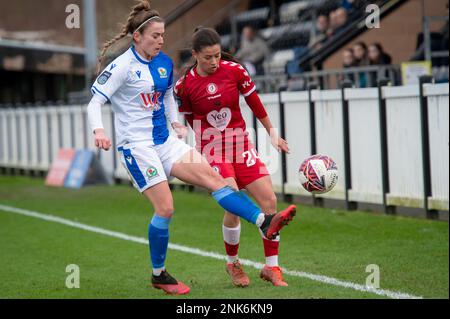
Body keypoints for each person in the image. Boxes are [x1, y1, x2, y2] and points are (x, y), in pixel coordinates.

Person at [86, 0, 296, 296]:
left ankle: (264, 222)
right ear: (138, 37)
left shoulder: (164, 64)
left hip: (165, 142)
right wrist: (99, 130)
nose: (161, 40)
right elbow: (95, 101)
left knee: (216, 180)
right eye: (155, 36)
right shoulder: (121, 67)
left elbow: (168, 96)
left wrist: (176, 123)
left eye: (163, 35)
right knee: (166, 208)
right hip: (137, 147)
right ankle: (159, 274)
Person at [174, 27, 292, 288]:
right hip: (213, 149)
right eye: (207, 57)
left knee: (269, 200)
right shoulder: (183, 86)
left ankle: (271, 268)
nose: (214, 62)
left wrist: (272, 133)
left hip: (241, 144)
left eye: (217, 55)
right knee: (232, 200)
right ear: (194, 55)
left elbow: (254, 103)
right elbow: (188, 119)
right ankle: (233, 263)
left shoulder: (235, 71)